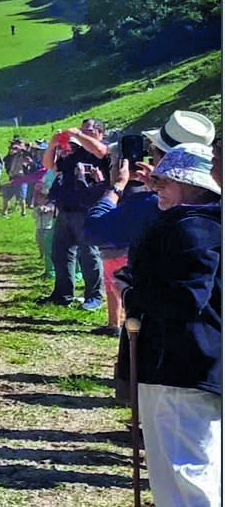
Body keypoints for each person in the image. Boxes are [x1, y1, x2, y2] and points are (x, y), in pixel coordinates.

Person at [116, 143, 221, 507]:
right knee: (179, 471)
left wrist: (134, 292)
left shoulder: (193, 229)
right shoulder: (198, 224)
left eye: (164, 181)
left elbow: (187, 298)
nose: (156, 187)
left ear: (191, 185)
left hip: (179, 365)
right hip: (184, 364)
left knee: (185, 470)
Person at [88, 111, 217, 336]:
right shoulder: (212, 214)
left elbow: (95, 229)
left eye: (153, 151)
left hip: (171, 345)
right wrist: (159, 185)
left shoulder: (168, 216)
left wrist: (117, 186)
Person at [45, 118, 110, 310]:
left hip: (89, 210)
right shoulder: (76, 153)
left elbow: (100, 151)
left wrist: (77, 134)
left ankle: (94, 297)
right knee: (61, 253)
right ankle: (62, 294)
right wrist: (53, 144)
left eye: (89, 131)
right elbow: (51, 165)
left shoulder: (104, 154)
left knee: (89, 255)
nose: (83, 134)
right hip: (66, 208)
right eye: (82, 130)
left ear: (100, 133)